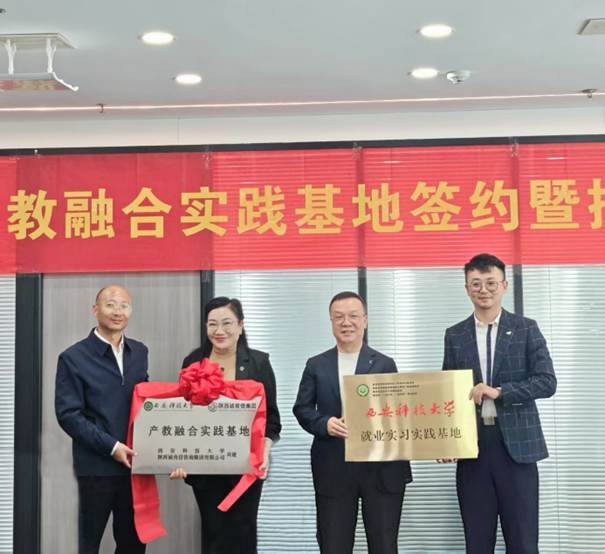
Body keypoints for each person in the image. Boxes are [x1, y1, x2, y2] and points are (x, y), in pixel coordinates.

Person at [442, 253, 556, 554]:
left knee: (523, 542)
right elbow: (447, 393)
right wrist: (446, 441)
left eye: (491, 282)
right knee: (477, 542)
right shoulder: (455, 335)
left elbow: (547, 382)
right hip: (474, 449)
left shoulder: (526, 328)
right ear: (467, 288)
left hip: (518, 451)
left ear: (504, 285)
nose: (484, 289)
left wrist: (500, 392)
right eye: (476, 283)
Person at [293, 291, 412, 554]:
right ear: (331, 322)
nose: (346, 322)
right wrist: (325, 423)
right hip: (334, 465)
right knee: (334, 544)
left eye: (353, 316)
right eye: (339, 317)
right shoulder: (316, 364)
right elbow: (302, 408)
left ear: (365, 320)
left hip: (380, 468)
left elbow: (399, 411)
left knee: (384, 544)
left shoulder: (384, 363)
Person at [170, 296, 281, 554]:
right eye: (212, 324)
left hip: (246, 465)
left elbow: (272, 420)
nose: (219, 331)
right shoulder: (193, 362)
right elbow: (181, 415)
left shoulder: (258, 363)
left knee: (244, 533)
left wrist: (264, 452)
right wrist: (178, 456)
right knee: (214, 533)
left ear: (240, 325)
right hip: (204, 465)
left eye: (227, 323)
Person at [55, 285, 148, 554]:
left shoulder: (140, 352)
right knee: (89, 544)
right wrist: (112, 446)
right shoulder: (73, 357)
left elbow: (145, 401)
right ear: (95, 310)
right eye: (110, 304)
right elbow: (68, 415)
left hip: (135, 466)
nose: (118, 311)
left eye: (124, 306)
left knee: (134, 544)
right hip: (95, 468)